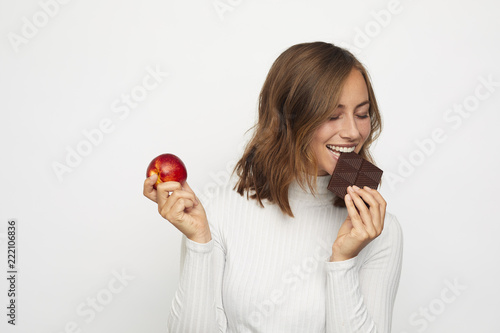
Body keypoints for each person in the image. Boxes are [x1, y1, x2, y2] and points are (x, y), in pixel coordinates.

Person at [143, 41, 403, 333]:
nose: (353, 132)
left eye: (362, 113)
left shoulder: (379, 231)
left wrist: (343, 260)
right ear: (289, 118)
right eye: (332, 115)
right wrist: (199, 243)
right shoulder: (218, 214)